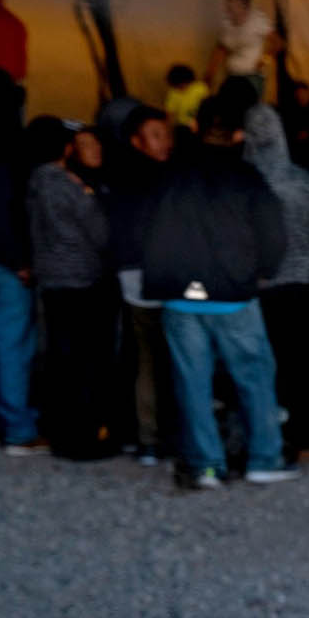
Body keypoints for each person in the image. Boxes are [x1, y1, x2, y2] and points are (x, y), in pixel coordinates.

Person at [141, 89, 294, 488]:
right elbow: (274, 236)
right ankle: (264, 458)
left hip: (178, 294)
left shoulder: (168, 173)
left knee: (192, 383)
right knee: (254, 376)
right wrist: (263, 270)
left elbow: (147, 227)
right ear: (240, 136)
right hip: (232, 295)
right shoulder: (248, 178)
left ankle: (206, 466)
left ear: (194, 127)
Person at [245, 97, 309, 464]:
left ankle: (292, 436)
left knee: (279, 365)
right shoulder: (301, 180)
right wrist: (306, 270)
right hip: (304, 284)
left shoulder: (249, 184)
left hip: (268, 288)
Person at [25, 117, 117, 460]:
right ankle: (81, 437)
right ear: (66, 148)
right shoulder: (67, 185)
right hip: (81, 279)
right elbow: (100, 233)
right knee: (82, 361)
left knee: (59, 357)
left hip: (51, 279)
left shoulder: (34, 181)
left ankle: (59, 430)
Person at [102, 104, 176, 465]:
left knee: (143, 354)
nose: (166, 143)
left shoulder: (117, 174)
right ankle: (159, 434)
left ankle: (143, 436)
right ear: (136, 140)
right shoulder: (157, 178)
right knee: (162, 356)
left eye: (167, 135)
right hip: (156, 272)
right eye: (157, 136)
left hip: (130, 273)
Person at [0, 65, 41, 454]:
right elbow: (0, 207)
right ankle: (16, 429)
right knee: (11, 346)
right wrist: (20, 258)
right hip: (3, 261)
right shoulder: (6, 144)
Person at [208, 0, 278, 93]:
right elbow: (221, 48)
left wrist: (264, 61)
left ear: (242, 2)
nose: (227, 4)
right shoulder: (227, 23)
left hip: (252, 78)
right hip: (232, 76)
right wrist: (210, 73)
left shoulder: (257, 20)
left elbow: (277, 43)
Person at [164, 64, 210, 134]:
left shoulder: (200, 88)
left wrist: (197, 122)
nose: (181, 87)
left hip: (201, 123)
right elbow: (170, 113)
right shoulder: (173, 92)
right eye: (178, 85)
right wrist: (168, 129)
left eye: (183, 84)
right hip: (182, 126)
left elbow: (208, 107)